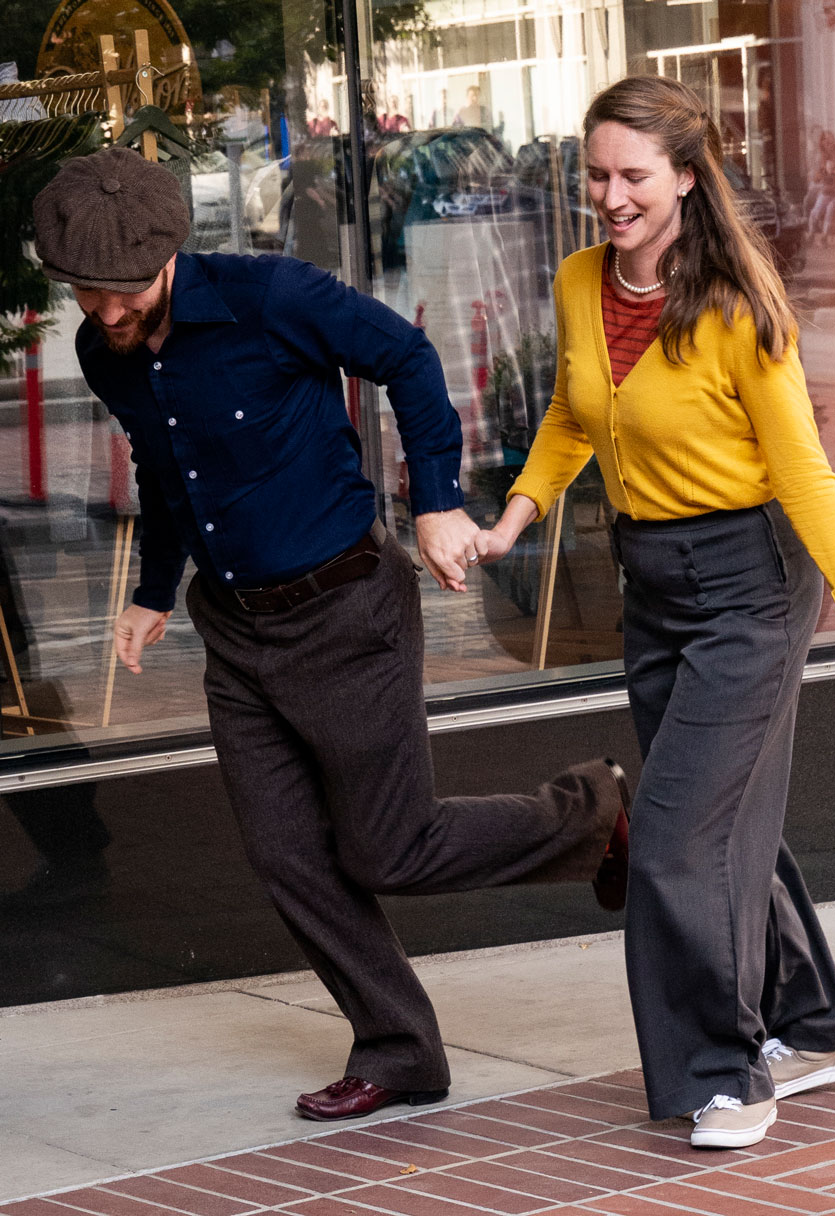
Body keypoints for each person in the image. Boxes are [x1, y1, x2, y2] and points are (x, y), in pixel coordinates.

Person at [31, 146, 629, 1122]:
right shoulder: (110, 352)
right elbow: (163, 463)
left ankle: (595, 812)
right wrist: (151, 588)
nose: (105, 311)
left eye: (122, 289)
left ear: (169, 254)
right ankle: (399, 1049)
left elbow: (406, 356)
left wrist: (435, 502)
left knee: (390, 848)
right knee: (286, 855)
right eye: (86, 292)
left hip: (345, 607)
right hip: (234, 628)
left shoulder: (272, 297)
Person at [472, 76, 835, 1151]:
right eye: (597, 174)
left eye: (632, 177)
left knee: (668, 835)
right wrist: (515, 517)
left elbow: (804, 470)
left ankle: (723, 1072)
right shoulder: (579, 283)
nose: (609, 196)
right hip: (653, 577)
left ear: (686, 179)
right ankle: (814, 1023)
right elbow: (575, 414)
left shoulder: (735, 310)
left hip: (752, 579)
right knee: (724, 821)